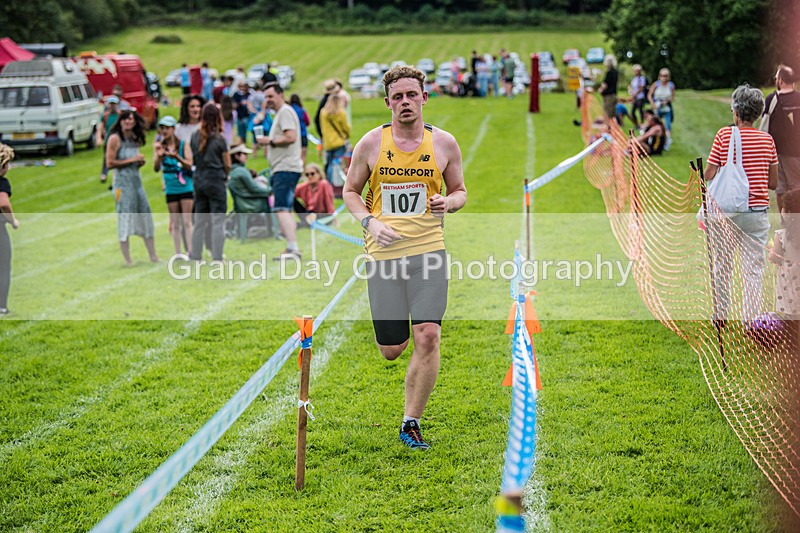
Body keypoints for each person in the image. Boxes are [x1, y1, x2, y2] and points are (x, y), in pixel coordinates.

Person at [343, 66, 467, 450]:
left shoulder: (444, 143)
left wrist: (448, 202)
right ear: (388, 103)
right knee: (392, 349)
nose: (405, 102)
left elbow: (460, 191)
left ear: (424, 98)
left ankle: (411, 422)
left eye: (412, 95)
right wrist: (370, 222)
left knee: (427, 336)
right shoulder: (371, 144)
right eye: (397, 97)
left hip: (429, 251)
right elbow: (350, 191)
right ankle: (391, 338)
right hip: (384, 255)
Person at [705, 85, 778, 323]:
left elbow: (709, 173)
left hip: (726, 213)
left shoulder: (724, 136)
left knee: (722, 266)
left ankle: (720, 315)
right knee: (753, 270)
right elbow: (773, 183)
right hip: (757, 214)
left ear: (736, 112)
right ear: (757, 113)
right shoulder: (768, 140)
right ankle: (751, 320)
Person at [106, 110, 159, 266]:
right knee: (125, 218)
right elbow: (110, 163)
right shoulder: (115, 139)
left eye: (130, 119)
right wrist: (131, 160)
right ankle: (128, 260)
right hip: (121, 186)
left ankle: (153, 256)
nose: (127, 122)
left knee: (145, 215)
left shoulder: (134, 139)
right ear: (120, 122)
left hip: (137, 183)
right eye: (124, 119)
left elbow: (131, 162)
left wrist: (138, 163)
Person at [257, 82, 303, 260]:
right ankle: (291, 247)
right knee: (285, 209)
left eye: (270, 96)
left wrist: (269, 141)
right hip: (283, 167)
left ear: (280, 95)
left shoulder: (284, 112)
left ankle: (293, 248)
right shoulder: (280, 113)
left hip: (285, 167)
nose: (267, 100)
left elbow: (290, 137)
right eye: (265, 97)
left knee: (281, 208)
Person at [189, 103, 231, 263]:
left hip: (199, 180)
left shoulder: (194, 136)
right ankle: (217, 257)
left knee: (200, 221)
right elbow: (227, 164)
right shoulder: (220, 139)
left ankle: (196, 255)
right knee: (217, 220)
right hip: (215, 180)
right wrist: (226, 175)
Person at [153, 115, 194, 257]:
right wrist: (159, 157)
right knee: (175, 222)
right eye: (162, 128)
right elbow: (156, 168)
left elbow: (189, 165)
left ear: (173, 129)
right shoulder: (160, 146)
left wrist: (177, 157)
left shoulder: (183, 145)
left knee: (187, 221)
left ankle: (191, 251)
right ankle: (178, 253)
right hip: (171, 187)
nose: (164, 131)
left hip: (185, 186)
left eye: (167, 128)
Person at [764, 65, 800, 211]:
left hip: (775, 153)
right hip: (796, 153)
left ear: (781, 80)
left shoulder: (771, 99)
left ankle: (784, 220)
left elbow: (764, 125)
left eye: (776, 78)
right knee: (796, 187)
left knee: (780, 189)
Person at [769, 189, 800, 349]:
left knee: (791, 321)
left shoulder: (781, 235)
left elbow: (775, 257)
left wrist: (771, 251)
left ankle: (792, 348)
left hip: (789, 291)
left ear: (788, 213)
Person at [0, 144, 19, 315]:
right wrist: (13, 221)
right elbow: (4, 204)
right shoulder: (2, 183)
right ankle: (2, 307)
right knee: (3, 268)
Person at [228, 143, 271, 213]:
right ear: (236, 156)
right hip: (250, 205)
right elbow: (254, 188)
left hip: (242, 204)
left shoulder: (234, 170)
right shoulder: (241, 171)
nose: (247, 156)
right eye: (244, 154)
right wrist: (270, 191)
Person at [320, 94, 350, 185]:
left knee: (329, 163)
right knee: (337, 163)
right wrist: (346, 135)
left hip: (328, 142)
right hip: (338, 141)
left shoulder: (323, 113)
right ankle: (338, 182)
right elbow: (345, 128)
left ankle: (329, 183)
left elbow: (322, 127)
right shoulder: (341, 113)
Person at [648, 68, 676, 150]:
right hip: (657, 107)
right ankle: (652, 139)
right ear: (659, 76)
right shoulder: (656, 84)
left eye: (666, 76)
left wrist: (667, 101)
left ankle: (667, 141)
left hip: (667, 108)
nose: (664, 77)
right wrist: (653, 104)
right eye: (662, 75)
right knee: (655, 124)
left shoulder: (671, 85)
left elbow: (673, 97)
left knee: (667, 125)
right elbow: (649, 95)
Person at [98, 95, 120, 184]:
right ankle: (104, 173)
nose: (112, 106)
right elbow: (100, 127)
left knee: (118, 159)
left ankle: (115, 179)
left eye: (114, 104)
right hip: (108, 140)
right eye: (111, 104)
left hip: (118, 141)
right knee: (106, 158)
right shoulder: (106, 116)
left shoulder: (120, 115)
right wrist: (99, 138)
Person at [290, 94, 310, 166]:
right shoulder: (302, 110)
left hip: (293, 135)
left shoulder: (289, 110)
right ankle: (303, 169)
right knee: (303, 154)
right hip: (303, 133)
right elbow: (307, 122)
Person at [598, 54, 618, 119]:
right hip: (614, 95)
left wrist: (600, 90)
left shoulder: (609, 72)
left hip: (608, 96)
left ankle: (608, 125)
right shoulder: (615, 72)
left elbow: (605, 84)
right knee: (612, 114)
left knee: (607, 113)